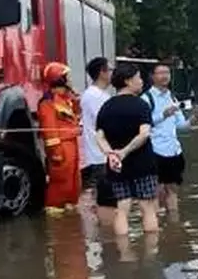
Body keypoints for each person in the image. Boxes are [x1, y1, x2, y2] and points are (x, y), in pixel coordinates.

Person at [95, 63, 159, 236]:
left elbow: (99, 137)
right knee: (147, 206)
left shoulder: (106, 107)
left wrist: (111, 154)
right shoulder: (141, 105)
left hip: (116, 166)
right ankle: (151, 248)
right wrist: (124, 151)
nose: (141, 81)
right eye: (138, 78)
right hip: (143, 164)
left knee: (122, 208)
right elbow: (144, 134)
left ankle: (123, 248)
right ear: (128, 81)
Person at [143, 64, 192, 214]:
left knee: (173, 190)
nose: (165, 76)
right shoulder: (146, 99)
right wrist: (163, 115)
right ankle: (156, 221)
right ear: (152, 76)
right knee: (156, 192)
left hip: (174, 150)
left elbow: (181, 125)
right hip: (155, 150)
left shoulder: (172, 97)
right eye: (161, 73)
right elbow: (143, 124)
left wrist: (193, 120)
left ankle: (173, 222)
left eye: (167, 73)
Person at [37, 63, 81, 215]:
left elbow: (75, 117)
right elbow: (49, 130)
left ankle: (70, 207)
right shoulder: (47, 103)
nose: (70, 80)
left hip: (71, 143)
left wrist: (76, 100)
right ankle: (54, 210)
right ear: (59, 79)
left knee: (74, 179)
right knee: (61, 178)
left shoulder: (65, 99)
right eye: (67, 77)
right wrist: (55, 151)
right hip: (61, 146)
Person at [79, 57, 116, 220]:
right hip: (99, 155)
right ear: (102, 72)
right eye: (111, 70)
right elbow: (105, 122)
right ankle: (101, 230)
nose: (113, 73)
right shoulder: (94, 96)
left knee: (102, 198)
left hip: (103, 154)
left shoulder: (101, 95)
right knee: (104, 199)